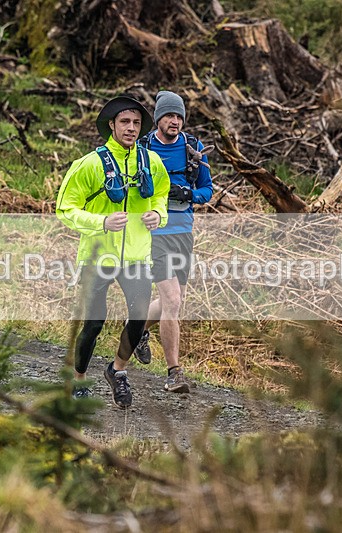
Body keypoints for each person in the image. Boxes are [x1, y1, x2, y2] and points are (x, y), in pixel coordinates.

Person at [56, 95, 170, 408]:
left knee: (138, 318)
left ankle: (117, 370)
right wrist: (101, 222)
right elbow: (65, 208)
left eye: (136, 123)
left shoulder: (151, 162)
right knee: (94, 323)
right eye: (125, 122)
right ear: (112, 125)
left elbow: (161, 195)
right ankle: (78, 378)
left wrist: (158, 215)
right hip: (98, 256)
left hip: (136, 256)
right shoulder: (89, 164)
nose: (131, 128)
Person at [136, 91, 213, 393]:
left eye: (179, 116)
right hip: (154, 234)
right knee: (173, 301)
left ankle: (139, 329)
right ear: (158, 119)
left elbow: (207, 190)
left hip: (184, 233)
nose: (175, 121)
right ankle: (173, 373)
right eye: (169, 116)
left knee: (174, 300)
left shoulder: (194, 148)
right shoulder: (143, 147)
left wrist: (189, 195)